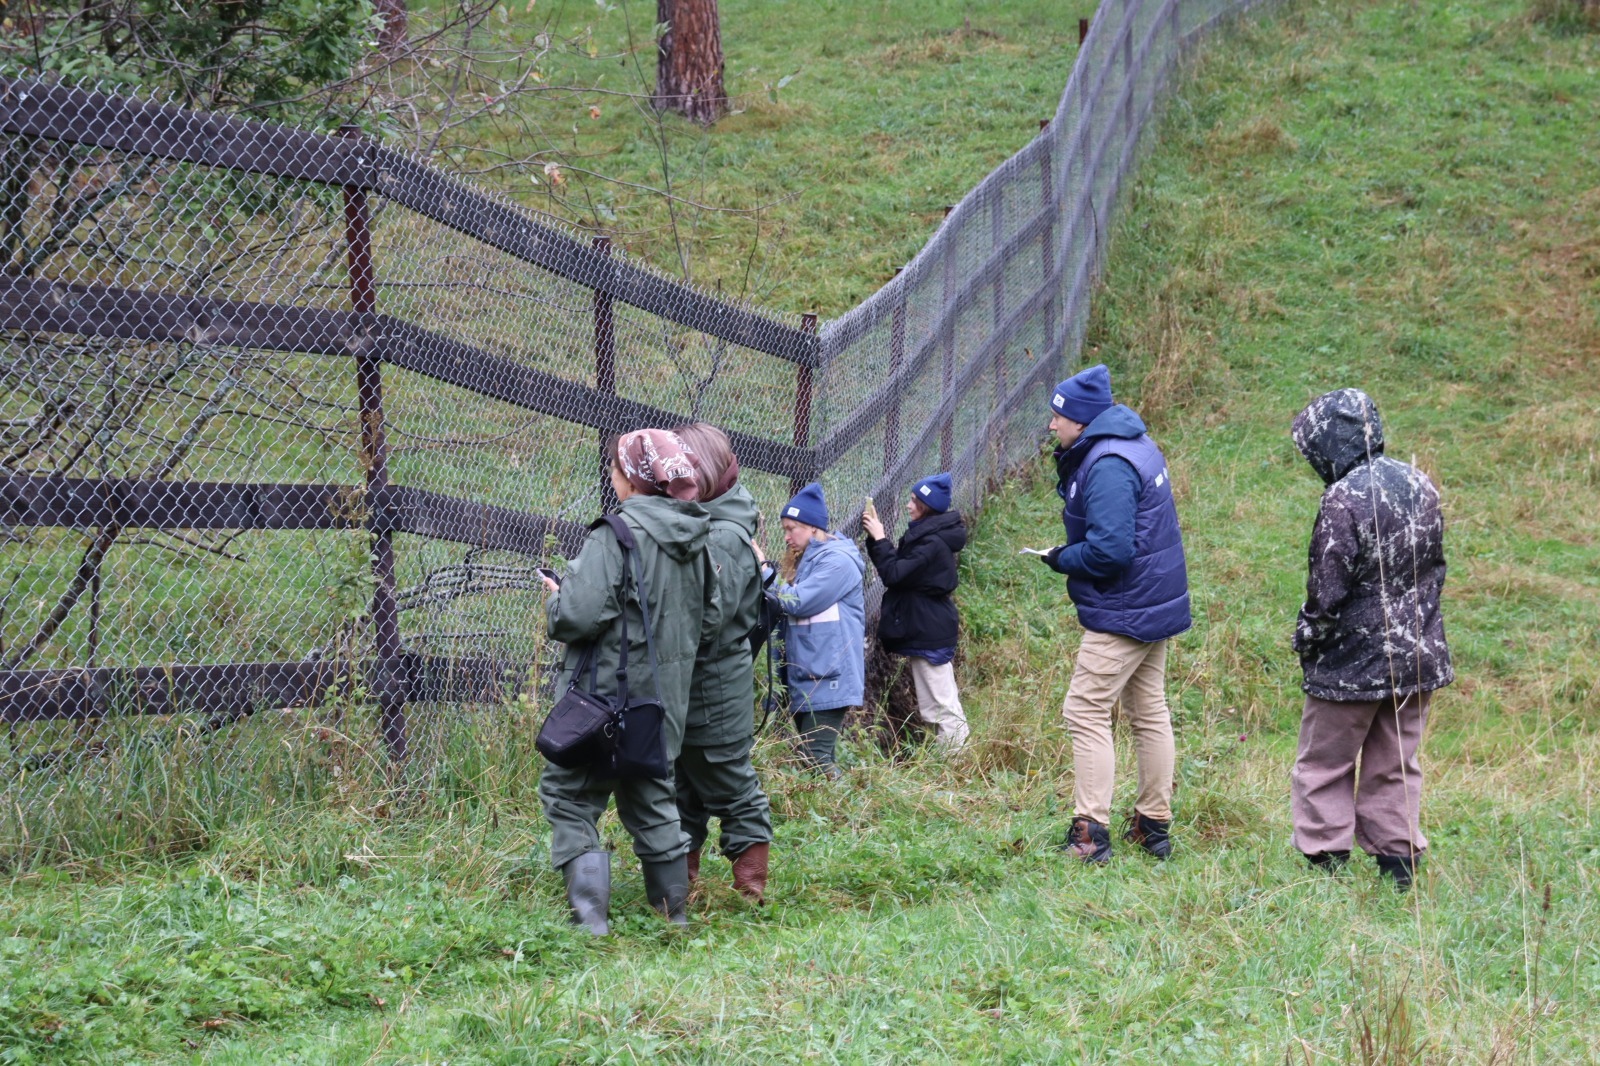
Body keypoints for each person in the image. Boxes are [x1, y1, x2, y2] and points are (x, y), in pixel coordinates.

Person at [538, 429, 715, 933]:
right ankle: (672, 915)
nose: (612, 477)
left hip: (604, 701)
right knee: (653, 795)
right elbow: (710, 618)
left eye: (616, 468)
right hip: (663, 705)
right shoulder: (696, 540)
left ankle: (591, 921)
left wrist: (556, 597)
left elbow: (578, 615)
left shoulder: (614, 534)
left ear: (632, 480)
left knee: (567, 793)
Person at [1289, 389, 1452, 892]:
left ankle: (1326, 870)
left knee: (1323, 763)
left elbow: (1326, 589)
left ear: (1328, 442)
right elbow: (1436, 568)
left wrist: (1308, 641)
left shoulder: (1343, 498)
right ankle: (1398, 873)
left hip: (1350, 665)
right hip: (1418, 657)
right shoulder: (1418, 481)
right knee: (1395, 764)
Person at [1036, 363, 1191, 864]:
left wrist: (1061, 558)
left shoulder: (1106, 464)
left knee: (1084, 710)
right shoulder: (1136, 444)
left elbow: (1110, 551)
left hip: (1124, 609)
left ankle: (1089, 835)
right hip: (1152, 601)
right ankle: (1153, 827)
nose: (1052, 426)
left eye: (1058, 417)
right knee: (1149, 712)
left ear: (1080, 420)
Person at [670, 422, 775, 902]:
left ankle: (750, 891)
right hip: (689, 681)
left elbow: (711, 620)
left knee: (729, 780)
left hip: (712, 685)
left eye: (681, 469)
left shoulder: (725, 537)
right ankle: (679, 887)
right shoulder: (704, 522)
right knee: (683, 787)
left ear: (705, 471)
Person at [752, 481, 866, 780]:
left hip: (829, 676)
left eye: (793, 528)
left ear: (814, 527)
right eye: (784, 529)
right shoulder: (810, 561)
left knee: (814, 758)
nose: (787, 536)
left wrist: (764, 569)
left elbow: (796, 602)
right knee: (815, 756)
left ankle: (851, 818)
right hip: (813, 673)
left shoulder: (837, 561)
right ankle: (844, 818)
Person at [861, 472, 971, 751]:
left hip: (929, 632)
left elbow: (895, 573)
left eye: (914, 501)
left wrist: (880, 538)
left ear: (927, 506)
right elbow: (898, 569)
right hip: (927, 628)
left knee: (942, 706)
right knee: (935, 705)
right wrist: (877, 543)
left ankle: (959, 764)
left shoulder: (931, 544)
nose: (909, 506)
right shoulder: (928, 537)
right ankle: (951, 760)